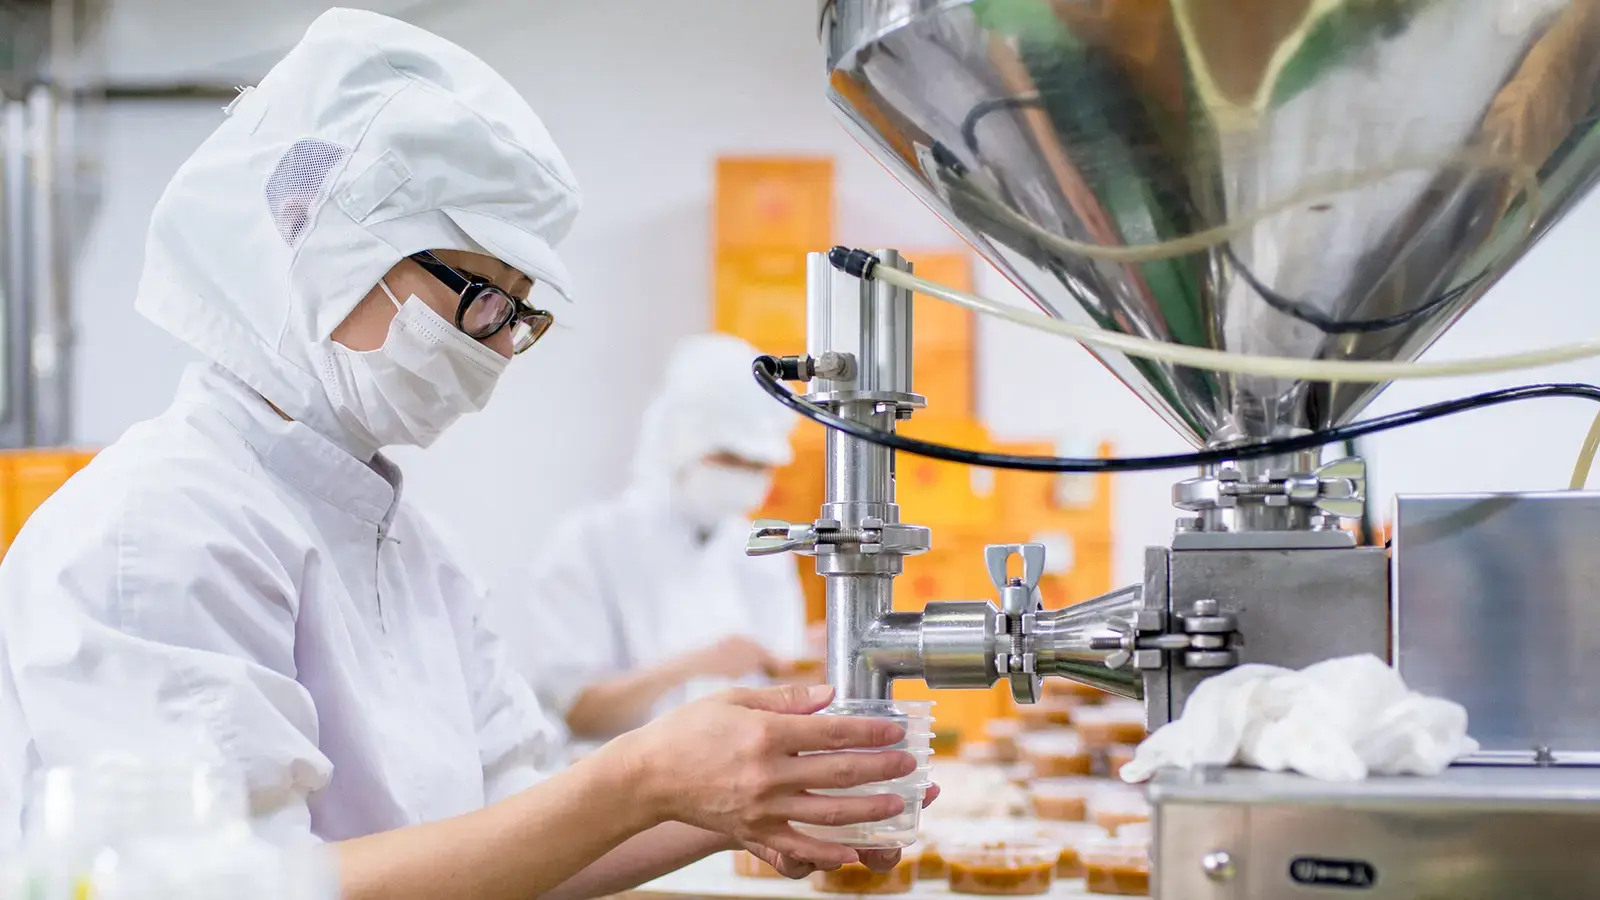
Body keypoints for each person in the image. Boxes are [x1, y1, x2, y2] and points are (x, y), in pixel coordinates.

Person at [0, 9, 932, 900]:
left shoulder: (412, 552)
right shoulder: (155, 530)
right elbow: (234, 887)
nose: (495, 350)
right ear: (318, 236)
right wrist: (643, 776)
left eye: (519, 316)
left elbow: (519, 834)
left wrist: (745, 795)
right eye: (480, 297)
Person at [505, 334, 816, 745]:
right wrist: (699, 664)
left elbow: (778, 692)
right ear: (678, 441)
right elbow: (579, 711)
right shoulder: (590, 542)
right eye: (728, 457)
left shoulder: (763, 551)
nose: (744, 474)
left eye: (759, 464)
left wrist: (808, 665)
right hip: (620, 795)